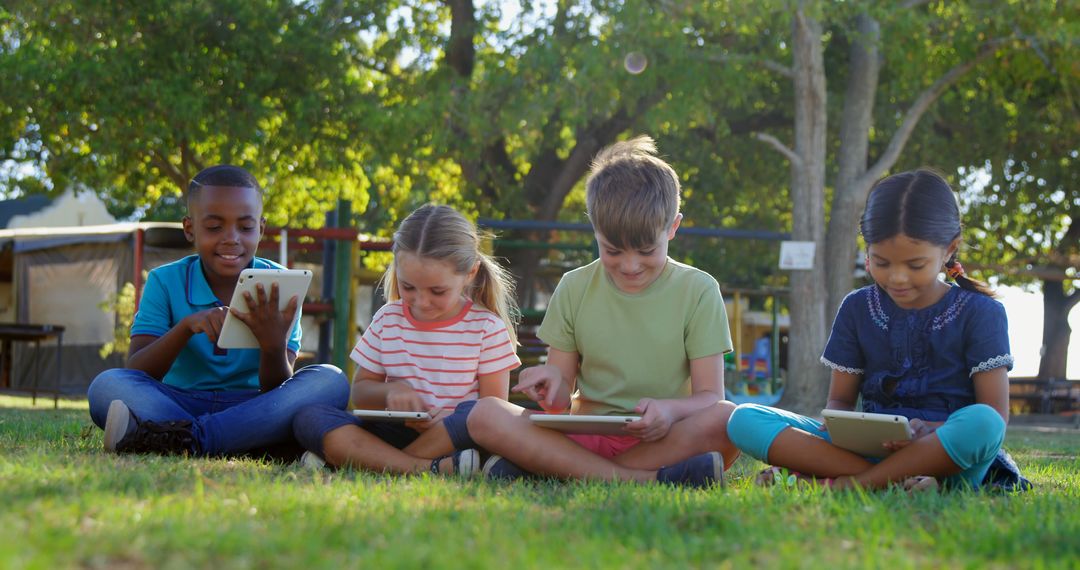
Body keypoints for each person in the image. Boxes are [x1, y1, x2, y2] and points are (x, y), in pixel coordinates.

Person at [464, 135, 740, 488]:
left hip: (662, 437)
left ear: (673, 227)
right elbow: (562, 397)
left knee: (727, 419)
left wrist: (669, 410)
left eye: (645, 250)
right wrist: (551, 386)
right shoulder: (574, 287)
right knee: (485, 413)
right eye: (613, 251)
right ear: (594, 228)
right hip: (584, 435)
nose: (630, 265)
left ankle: (560, 470)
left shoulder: (699, 290)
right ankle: (642, 479)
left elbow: (710, 398)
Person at [727, 169, 1023, 491]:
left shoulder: (982, 312)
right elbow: (839, 402)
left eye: (915, 265)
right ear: (867, 250)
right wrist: (845, 428)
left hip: (944, 450)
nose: (897, 278)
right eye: (881, 262)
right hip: (869, 450)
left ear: (949, 249)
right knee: (744, 419)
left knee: (983, 424)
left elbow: (996, 414)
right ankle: (891, 482)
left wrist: (928, 431)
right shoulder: (857, 307)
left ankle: (845, 483)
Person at [87, 165, 350, 457]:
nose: (231, 238)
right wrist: (186, 327)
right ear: (190, 229)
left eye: (246, 227)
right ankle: (249, 442)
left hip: (255, 405)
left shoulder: (280, 286)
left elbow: (277, 387)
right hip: (180, 402)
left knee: (331, 380)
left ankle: (183, 439)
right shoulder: (165, 280)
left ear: (261, 229)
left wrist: (273, 345)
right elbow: (138, 371)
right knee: (108, 385)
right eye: (214, 227)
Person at [291, 204, 521, 475]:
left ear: (470, 273)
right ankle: (431, 468)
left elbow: (492, 411)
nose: (421, 302)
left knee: (479, 426)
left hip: (454, 436)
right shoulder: (388, 318)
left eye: (437, 291)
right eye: (408, 287)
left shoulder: (486, 328)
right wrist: (391, 391)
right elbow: (361, 394)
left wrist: (448, 419)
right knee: (309, 417)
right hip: (394, 431)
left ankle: (360, 460)